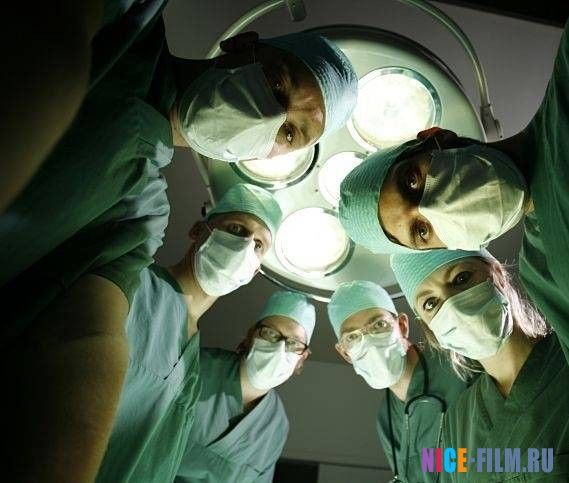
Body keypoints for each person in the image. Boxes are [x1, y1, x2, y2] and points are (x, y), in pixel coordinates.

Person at [4, 183, 281, 482]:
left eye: (258, 245)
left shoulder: (193, 364)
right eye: (237, 229)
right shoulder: (127, 286)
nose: (245, 246)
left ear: (255, 271)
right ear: (198, 230)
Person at [339, 20, 569, 363]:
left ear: (437, 137)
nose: (430, 208)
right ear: (448, 247)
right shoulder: (542, 275)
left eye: (412, 182)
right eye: (421, 231)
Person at [391, 249, 569, 481]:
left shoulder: (563, 356)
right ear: (428, 328)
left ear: (497, 274)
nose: (453, 305)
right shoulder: (457, 420)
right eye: (431, 303)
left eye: (461, 278)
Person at [328, 280, 469, 483]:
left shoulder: (460, 364)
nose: (369, 342)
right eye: (352, 337)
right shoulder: (386, 417)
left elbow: (512, 458)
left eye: (379, 325)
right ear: (345, 353)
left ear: (402, 326)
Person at [175, 290, 315, 483]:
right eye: (271, 334)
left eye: (294, 343)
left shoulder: (275, 426)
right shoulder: (194, 367)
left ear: (302, 357)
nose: (279, 348)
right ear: (251, 335)